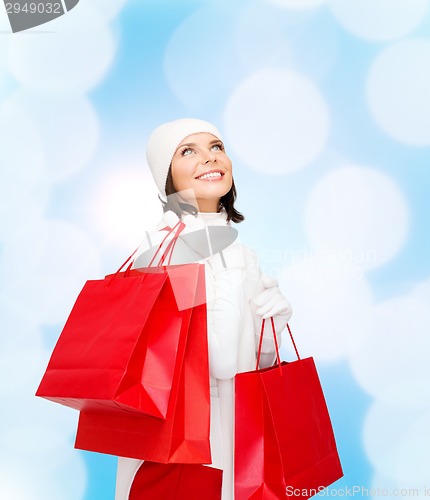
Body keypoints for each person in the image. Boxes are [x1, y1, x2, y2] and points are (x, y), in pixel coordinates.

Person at [114, 118, 293, 500]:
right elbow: (222, 360)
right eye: (187, 151)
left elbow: (253, 363)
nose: (210, 158)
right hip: (189, 447)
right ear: (167, 176)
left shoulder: (240, 251)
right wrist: (230, 275)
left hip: (233, 435)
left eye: (216, 146)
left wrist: (272, 322)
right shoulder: (163, 249)